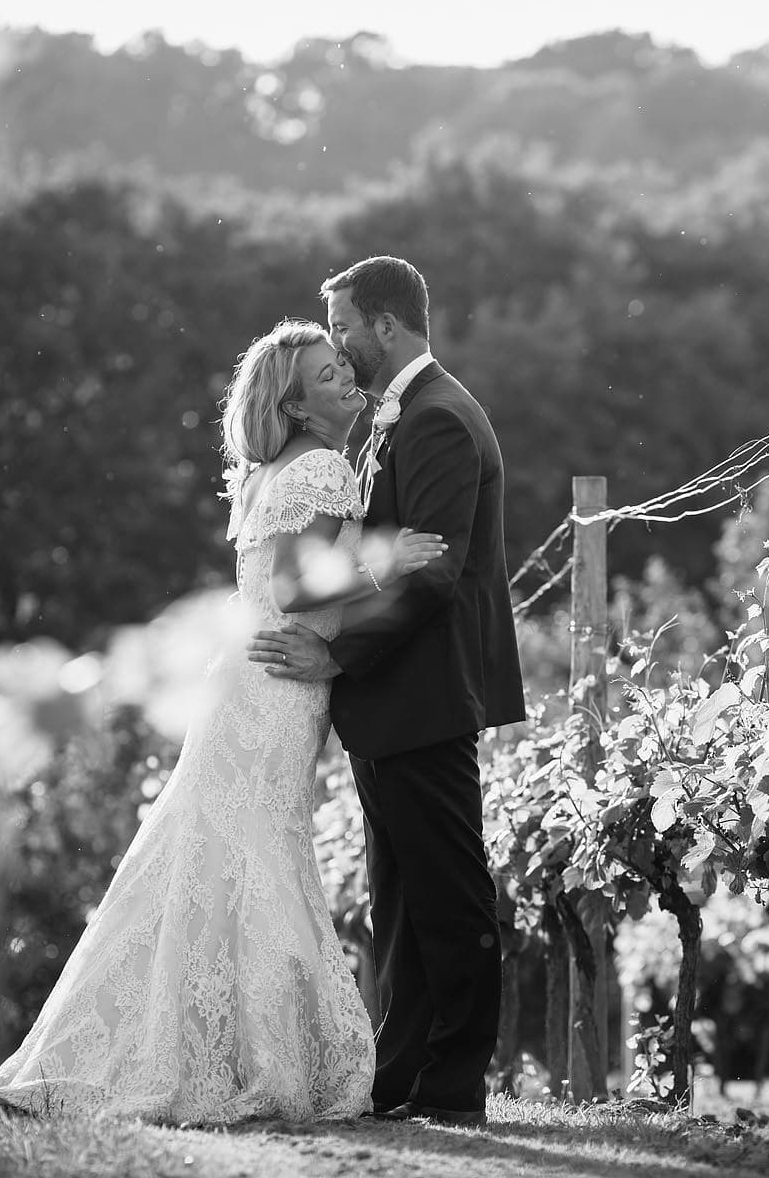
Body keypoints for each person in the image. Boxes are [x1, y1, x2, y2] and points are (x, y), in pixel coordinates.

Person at [0, 320, 445, 1122]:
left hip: (246, 683)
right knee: (256, 849)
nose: (346, 383)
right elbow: (299, 592)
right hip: (275, 687)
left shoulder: (274, 471)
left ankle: (193, 1045)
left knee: (214, 852)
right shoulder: (325, 467)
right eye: (328, 376)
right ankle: (243, 1057)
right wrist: (385, 563)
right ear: (295, 405)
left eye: (344, 369)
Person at [250, 256, 526, 1127]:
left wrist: (337, 660)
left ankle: (453, 1084)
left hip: (424, 694)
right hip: (393, 703)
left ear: (383, 325)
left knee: (447, 896)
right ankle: (401, 1076)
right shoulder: (400, 417)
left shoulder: (439, 418)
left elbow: (434, 578)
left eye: (340, 328)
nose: (335, 343)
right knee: (398, 904)